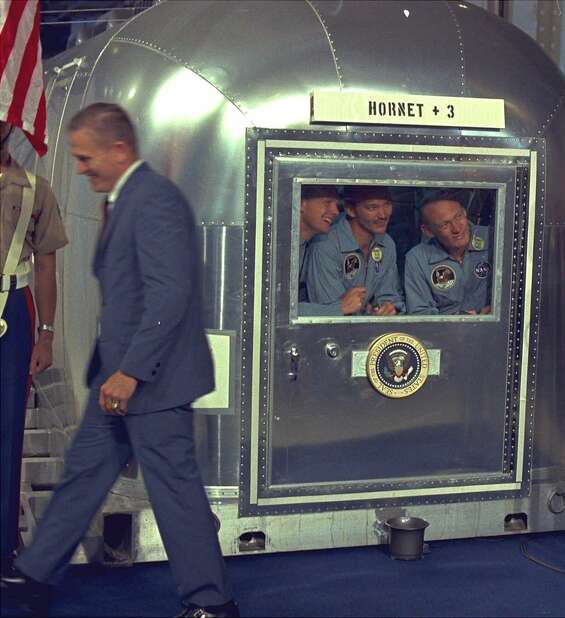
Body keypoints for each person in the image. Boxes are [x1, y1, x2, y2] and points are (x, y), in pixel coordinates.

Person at [0, 104, 238, 618]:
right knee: (84, 474)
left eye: (86, 158)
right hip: (119, 378)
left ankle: (212, 603)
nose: (81, 168)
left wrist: (131, 372)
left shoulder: (154, 201)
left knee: (175, 489)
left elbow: (169, 295)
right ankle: (36, 575)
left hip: (153, 381)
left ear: (119, 149)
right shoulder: (124, 196)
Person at [0, 121, 68, 571]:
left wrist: (46, 332)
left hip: (13, 311)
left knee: (8, 430)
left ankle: (4, 543)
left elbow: (46, 264)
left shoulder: (34, 189)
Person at [305, 185, 405, 315]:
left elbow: (389, 294)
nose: (383, 214)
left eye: (387, 205)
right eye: (372, 207)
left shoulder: (387, 244)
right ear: (350, 210)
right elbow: (328, 310)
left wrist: (388, 308)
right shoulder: (325, 246)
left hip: (372, 327)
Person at [404, 195, 492, 315]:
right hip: (444, 331)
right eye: (444, 225)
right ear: (428, 231)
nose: (456, 229)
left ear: (465, 213)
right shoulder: (417, 258)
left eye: (458, 217)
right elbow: (419, 314)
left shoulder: (495, 238)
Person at [295, 184, 345, 316]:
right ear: (300, 204)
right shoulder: (278, 246)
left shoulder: (306, 246)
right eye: (327, 202)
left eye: (336, 204)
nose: (335, 211)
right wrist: (339, 308)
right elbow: (276, 310)